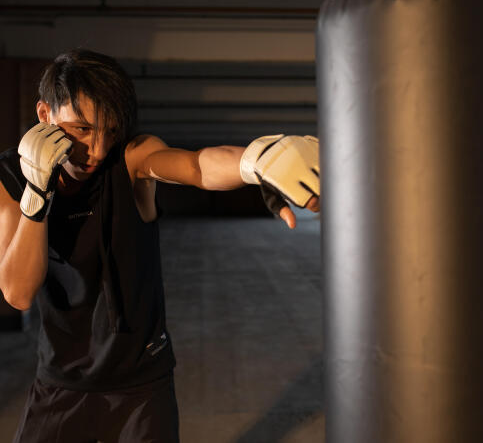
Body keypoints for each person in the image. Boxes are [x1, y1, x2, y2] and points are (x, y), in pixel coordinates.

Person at [0, 49, 320, 443]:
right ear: (45, 116)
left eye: (110, 130)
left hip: (141, 385)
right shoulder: (11, 180)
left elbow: (196, 166)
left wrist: (254, 163)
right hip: (61, 381)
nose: (97, 150)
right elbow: (17, 294)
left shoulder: (132, 157)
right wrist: (37, 195)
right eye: (81, 130)